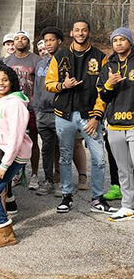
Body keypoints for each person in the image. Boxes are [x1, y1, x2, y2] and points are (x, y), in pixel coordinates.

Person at [45, 20, 115, 214]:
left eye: (84, 30)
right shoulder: (60, 55)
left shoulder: (100, 57)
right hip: (64, 115)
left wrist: (97, 116)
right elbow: (49, 83)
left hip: (89, 117)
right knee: (66, 156)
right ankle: (67, 195)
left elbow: (104, 89)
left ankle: (98, 198)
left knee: (100, 159)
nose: (80, 33)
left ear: (89, 33)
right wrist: (63, 86)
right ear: (71, 32)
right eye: (77, 30)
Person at [0, 65, 33, 248]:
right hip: (0, 152)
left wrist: (5, 165)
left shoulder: (16, 104)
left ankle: (6, 234)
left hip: (12, 155)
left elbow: (16, 137)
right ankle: (1, 228)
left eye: (4, 80)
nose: (0, 83)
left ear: (12, 81)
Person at [98, 28, 134, 221]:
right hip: (114, 124)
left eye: (122, 39)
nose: (119, 43)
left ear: (129, 41)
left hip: (133, 124)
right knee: (124, 169)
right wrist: (110, 83)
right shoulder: (108, 66)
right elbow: (103, 96)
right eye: (115, 40)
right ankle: (128, 206)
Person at [3, 31, 41, 190]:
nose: (19, 41)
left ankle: (34, 175)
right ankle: (16, 174)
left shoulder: (36, 60)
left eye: (23, 38)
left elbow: (40, 84)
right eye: (16, 39)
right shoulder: (7, 60)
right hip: (12, 107)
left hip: (31, 107)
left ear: (28, 42)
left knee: (32, 141)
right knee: (14, 140)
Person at [32, 27, 63, 196]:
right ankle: (48, 180)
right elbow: (37, 89)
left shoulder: (66, 61)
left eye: (52, 40)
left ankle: (62, 181)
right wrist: (37, 110)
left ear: (59, 41)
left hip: (59, 112)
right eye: (46, 40)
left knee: (63, 148)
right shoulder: (41, 63)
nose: (49, 43)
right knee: (47, 149)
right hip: (43, 113)